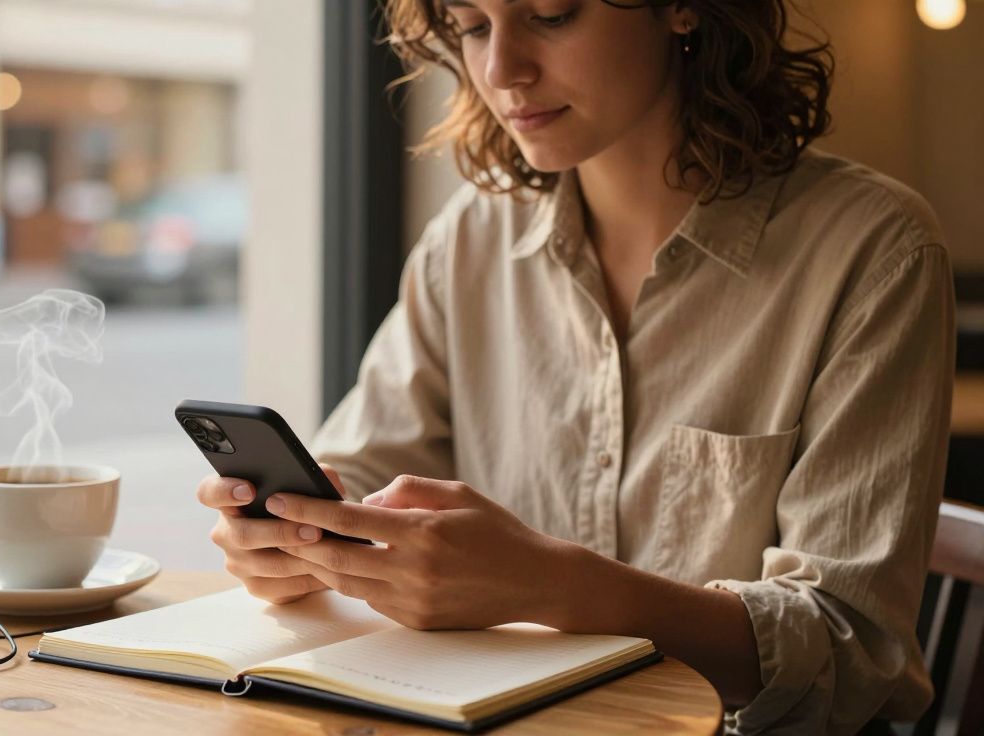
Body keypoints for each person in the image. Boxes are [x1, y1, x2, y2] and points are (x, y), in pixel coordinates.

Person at [197, 1, 954, 733]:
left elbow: (849, 650)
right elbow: (364, 469)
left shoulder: (873, 251)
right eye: (472, 25)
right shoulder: (470, 241)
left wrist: (554, 586)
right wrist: (294, 539)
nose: (502, 70)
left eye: (552, 16)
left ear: (682, 8)